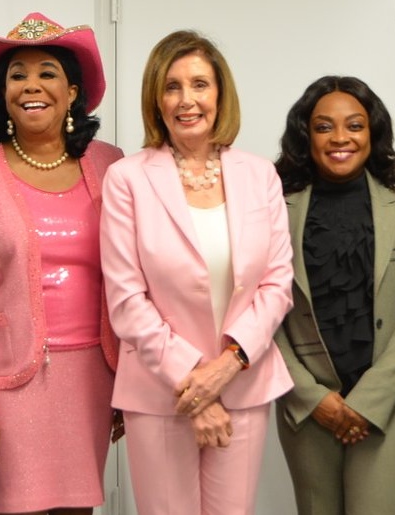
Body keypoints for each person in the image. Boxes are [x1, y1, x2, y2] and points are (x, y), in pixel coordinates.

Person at [99, 30, 294, 514]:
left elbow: (276, 283)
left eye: (200, 85)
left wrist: (227, 367)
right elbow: (127, 300)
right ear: (156, 99)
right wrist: (196, 385)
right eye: (172, 86)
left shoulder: (259, 174)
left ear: (220, 94)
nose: (187, 100)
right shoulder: (128, 178)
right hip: (159, 391)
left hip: (243, 384)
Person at [0, 13, 123, 514]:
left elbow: (129, 279)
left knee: (77, 510)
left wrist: (129, 380)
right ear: (2, 93)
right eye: (17, 75)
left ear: (72, 92)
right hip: (8, 388)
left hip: (92, 377)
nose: (31, 85)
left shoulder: (111, 164)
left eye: (47, 72)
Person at [272, 76, 395, 515]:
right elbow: (264, 309)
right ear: (307, 136)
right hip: (308, 405)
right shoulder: (274, 207)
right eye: (324, 127)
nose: (340, 138)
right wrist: (310, 396)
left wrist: (369, 401)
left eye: (355, 125)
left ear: (373, 133)